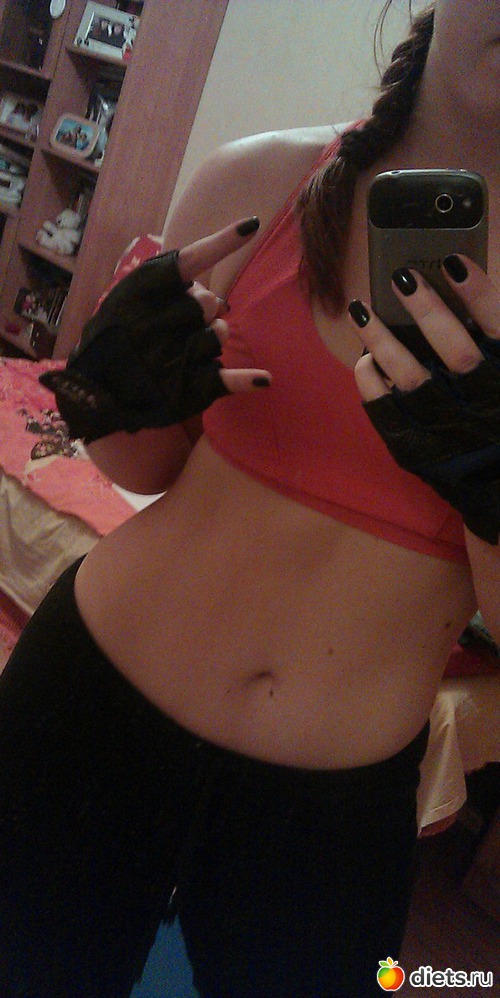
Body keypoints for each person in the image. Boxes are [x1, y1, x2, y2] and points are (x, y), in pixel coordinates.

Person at [1, 1, 499, 995]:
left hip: (325, 823)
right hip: (80, 710)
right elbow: (143, 466)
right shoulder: (259, 181)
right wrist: (113, 391)